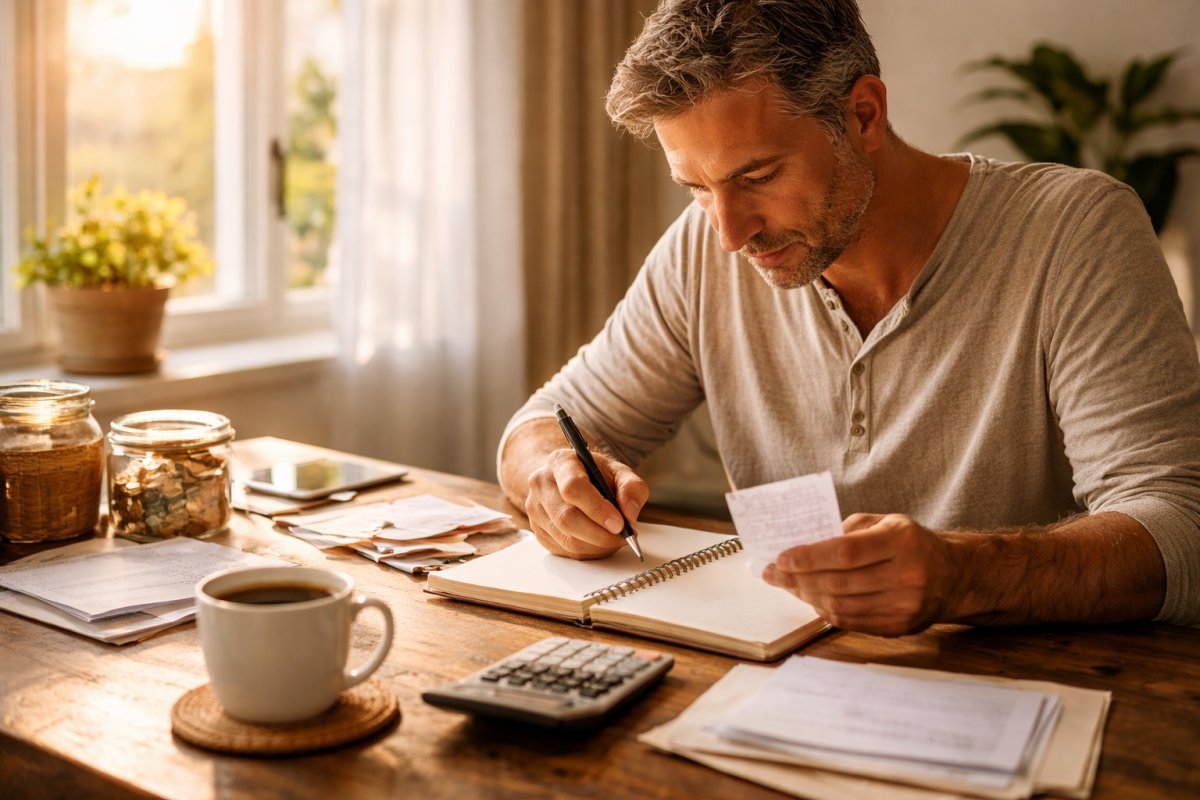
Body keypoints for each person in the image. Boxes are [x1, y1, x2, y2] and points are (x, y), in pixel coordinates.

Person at [498, 0, 1200, 635]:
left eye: (757, 177)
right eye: (696, 189)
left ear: (863, 114)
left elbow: (1180, 524)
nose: (730, 234)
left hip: (1031, 698)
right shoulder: (702, 249)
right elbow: (543, 423)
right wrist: (552, 478)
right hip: (773, 690)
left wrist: (964, 576)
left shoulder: (1074, 232)